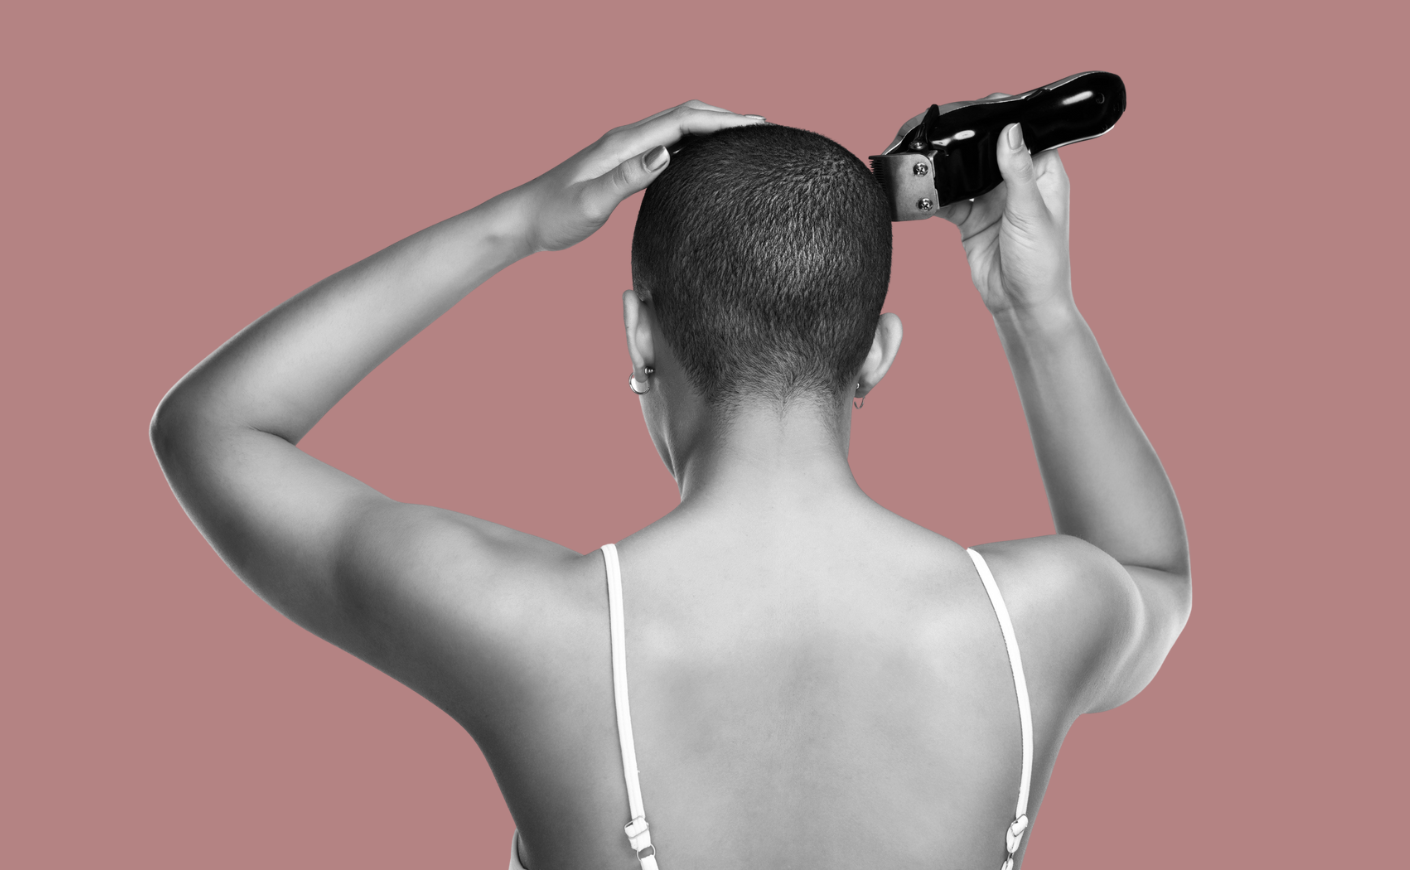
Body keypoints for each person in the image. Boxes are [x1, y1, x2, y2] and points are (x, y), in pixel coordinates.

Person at [151, 100, 1190, 870]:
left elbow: (211, 428)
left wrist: (521, 222)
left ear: (641, 332)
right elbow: (1151, 568)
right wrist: (1034, 310)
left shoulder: (530, 629)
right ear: (875, 352)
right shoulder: (1033, 624)